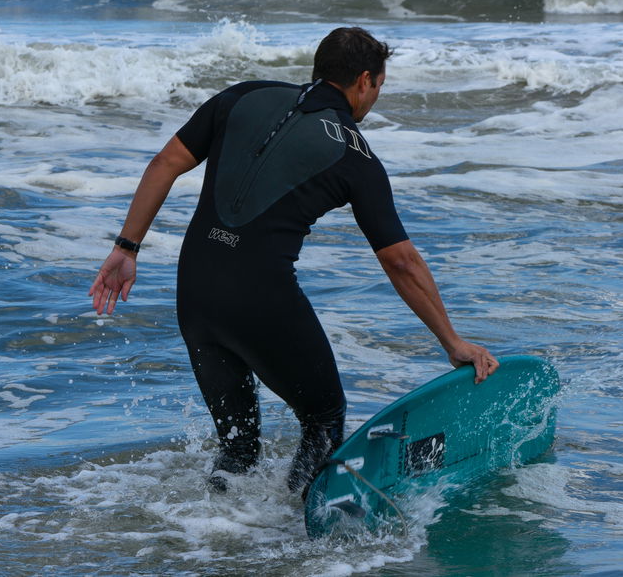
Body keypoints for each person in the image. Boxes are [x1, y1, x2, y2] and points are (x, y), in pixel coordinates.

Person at [89, 27, 498, 499]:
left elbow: (165, 162)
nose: (375, 98)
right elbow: (401, 261)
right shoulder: (355, 152)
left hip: (195, 289)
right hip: (260, 296)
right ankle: (298, 532)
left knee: (238, 446)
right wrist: (452, 341)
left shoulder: (241, 97)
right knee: (323, 418)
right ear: (364, 80)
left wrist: (126, 247)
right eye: (379, 87)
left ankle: (211, 536)